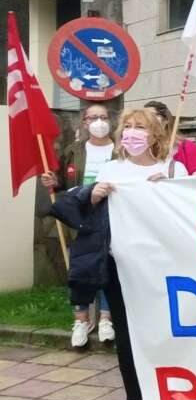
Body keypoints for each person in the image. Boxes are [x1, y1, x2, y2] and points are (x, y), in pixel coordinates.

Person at [91, 107, 189, 400]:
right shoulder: (110, 170)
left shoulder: (173, 169)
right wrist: (94, 195)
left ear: (156, 134)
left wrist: (175, 186)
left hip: (163, 271)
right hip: (119, 270)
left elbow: (190, 214)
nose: (132, 133)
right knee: (128, 336)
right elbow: (88, 213)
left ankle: (176, 399)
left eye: (140, 128)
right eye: (128, 127)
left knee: (169, 334)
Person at [41, 103, 117, 348]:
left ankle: (106, 318)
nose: (99, 122)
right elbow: (62, 180)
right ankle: (81, 320)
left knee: (107, 264)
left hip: (112, 215)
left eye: (103, 117)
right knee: (80, 267)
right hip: (82, 217)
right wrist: (54, 180)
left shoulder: (121, 150)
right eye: (93, 117)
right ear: (84, 122)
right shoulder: (73, 151)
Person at [144, 100, 196, 175]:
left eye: (151, 116)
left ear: (166, 120)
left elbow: (195, 178)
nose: (146, 120)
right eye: (143, 117)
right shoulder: (140, 148)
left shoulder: (187, 147)